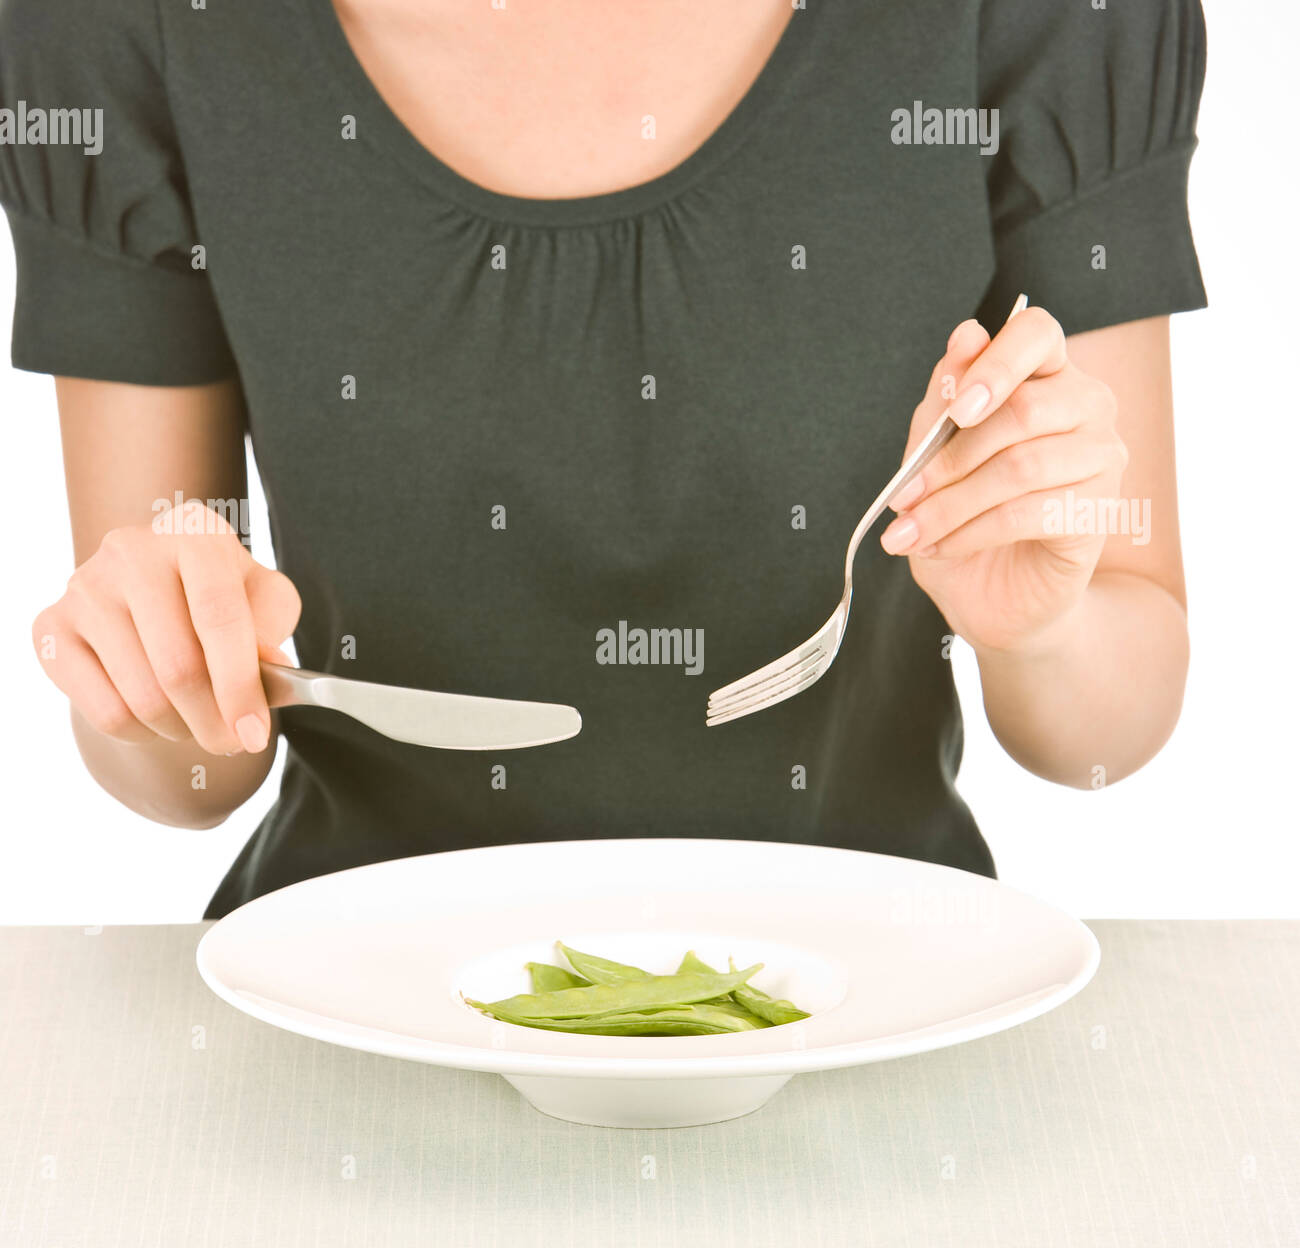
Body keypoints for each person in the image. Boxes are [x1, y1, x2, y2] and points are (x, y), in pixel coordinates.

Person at [0, 0, 1207, 917]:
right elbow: (185, 781)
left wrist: (1037, 624)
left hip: (873, 1012)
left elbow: (1108, 724)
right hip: (342, 1032)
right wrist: (152, 671)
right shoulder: (118, 26)